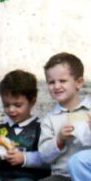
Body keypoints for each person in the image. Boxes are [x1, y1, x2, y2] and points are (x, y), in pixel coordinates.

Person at [0, 69, 49, 180]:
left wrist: (24, 158)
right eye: (6, 105)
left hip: (29, 176)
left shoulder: (41, 127)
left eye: (17, 105)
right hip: (3, 175)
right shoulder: (2, 128)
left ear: (32, 101)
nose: (11, 110)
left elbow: (48, 158)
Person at [38, 52, 91, 180]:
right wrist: (59, 140)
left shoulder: (89, 111)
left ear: (78, 83)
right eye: (51, 82)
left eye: (62, 81)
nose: (56, 86)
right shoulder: (49, 120)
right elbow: (44, 156)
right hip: (62, 176)